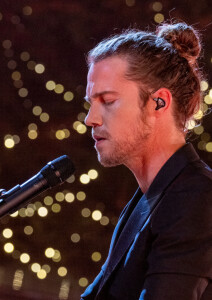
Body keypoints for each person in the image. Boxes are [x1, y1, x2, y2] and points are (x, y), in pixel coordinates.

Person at [81, 22, 212, 300]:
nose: (89, 119)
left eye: (108, 101)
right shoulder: (151, 197)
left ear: (159, 103)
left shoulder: (197, 199)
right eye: (91, 103)